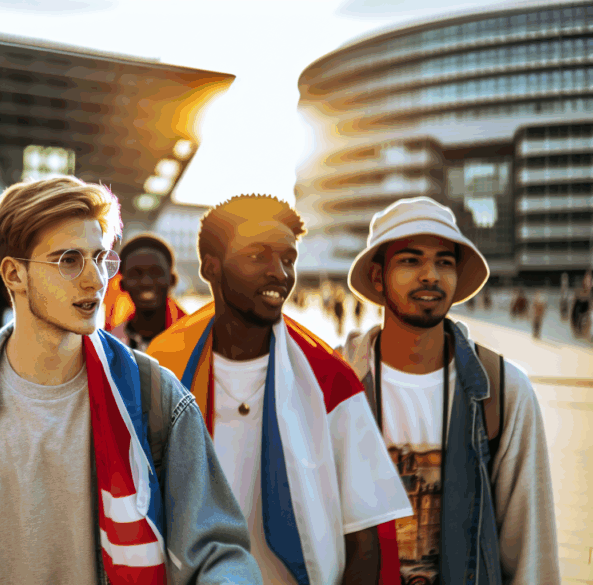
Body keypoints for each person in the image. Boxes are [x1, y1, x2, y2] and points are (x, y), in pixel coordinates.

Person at [0, 176, 261, 584]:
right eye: (69, 260)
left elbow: (216, 552)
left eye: (100, 257)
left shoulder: (153, 395)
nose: (96, 280)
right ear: (14, 274)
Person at [147, 194, 411, 585]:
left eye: (288, 259)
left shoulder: (330, 381)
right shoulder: (163, 370)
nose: (280, 273)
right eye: (258, 256)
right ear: (210, 267)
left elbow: (365, 540)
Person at [336, 197, 560, 585]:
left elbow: (530, 552)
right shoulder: (335, 383)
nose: (430, 275)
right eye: (410, 260)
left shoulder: (503, 391)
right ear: (377, 276)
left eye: (445, 261)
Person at [104, 233, 187, 351]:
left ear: (172, 280)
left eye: (156, 272)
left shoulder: (195, 338)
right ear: (122, 285)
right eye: (135, 274)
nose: (146, 282)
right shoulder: (110, 344)